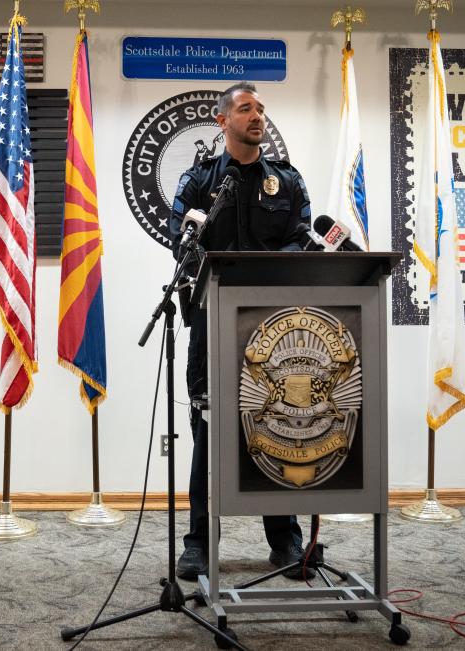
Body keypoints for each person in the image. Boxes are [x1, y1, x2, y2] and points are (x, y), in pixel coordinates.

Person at [169, 83, 312, 581]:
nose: (257, 117)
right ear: (222, 119)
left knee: (279, 429)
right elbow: (179, 245)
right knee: (208, 434)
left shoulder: (287, 182)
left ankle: (286, 541)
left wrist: (264, 271)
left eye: (261, 110)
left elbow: (304, 241)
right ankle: (199, 544)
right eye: (246, 109)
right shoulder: (200, 181)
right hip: (211, 326)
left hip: (277, 332)